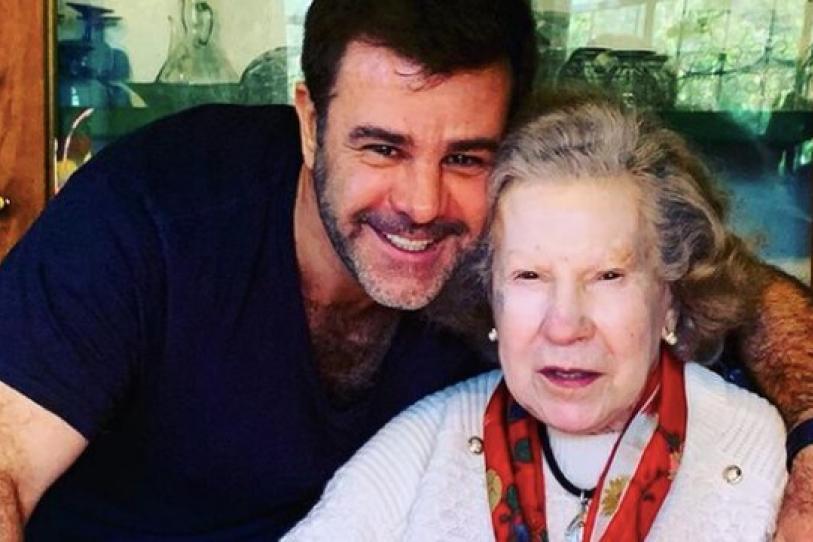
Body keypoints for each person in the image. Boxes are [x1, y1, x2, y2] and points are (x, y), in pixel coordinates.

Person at [0, 0, 810, 539]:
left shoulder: (505, 240)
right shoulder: (152, 214)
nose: (422, 204)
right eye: (383, 148)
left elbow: (738, 291)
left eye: (464, 156)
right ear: (310, 123)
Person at [283, 100, 789, 541]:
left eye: (608, 275)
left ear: (671, 299)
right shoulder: (426, 445)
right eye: (529, 275)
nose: (565, 325)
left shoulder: (749, 451)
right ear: (490, 297)